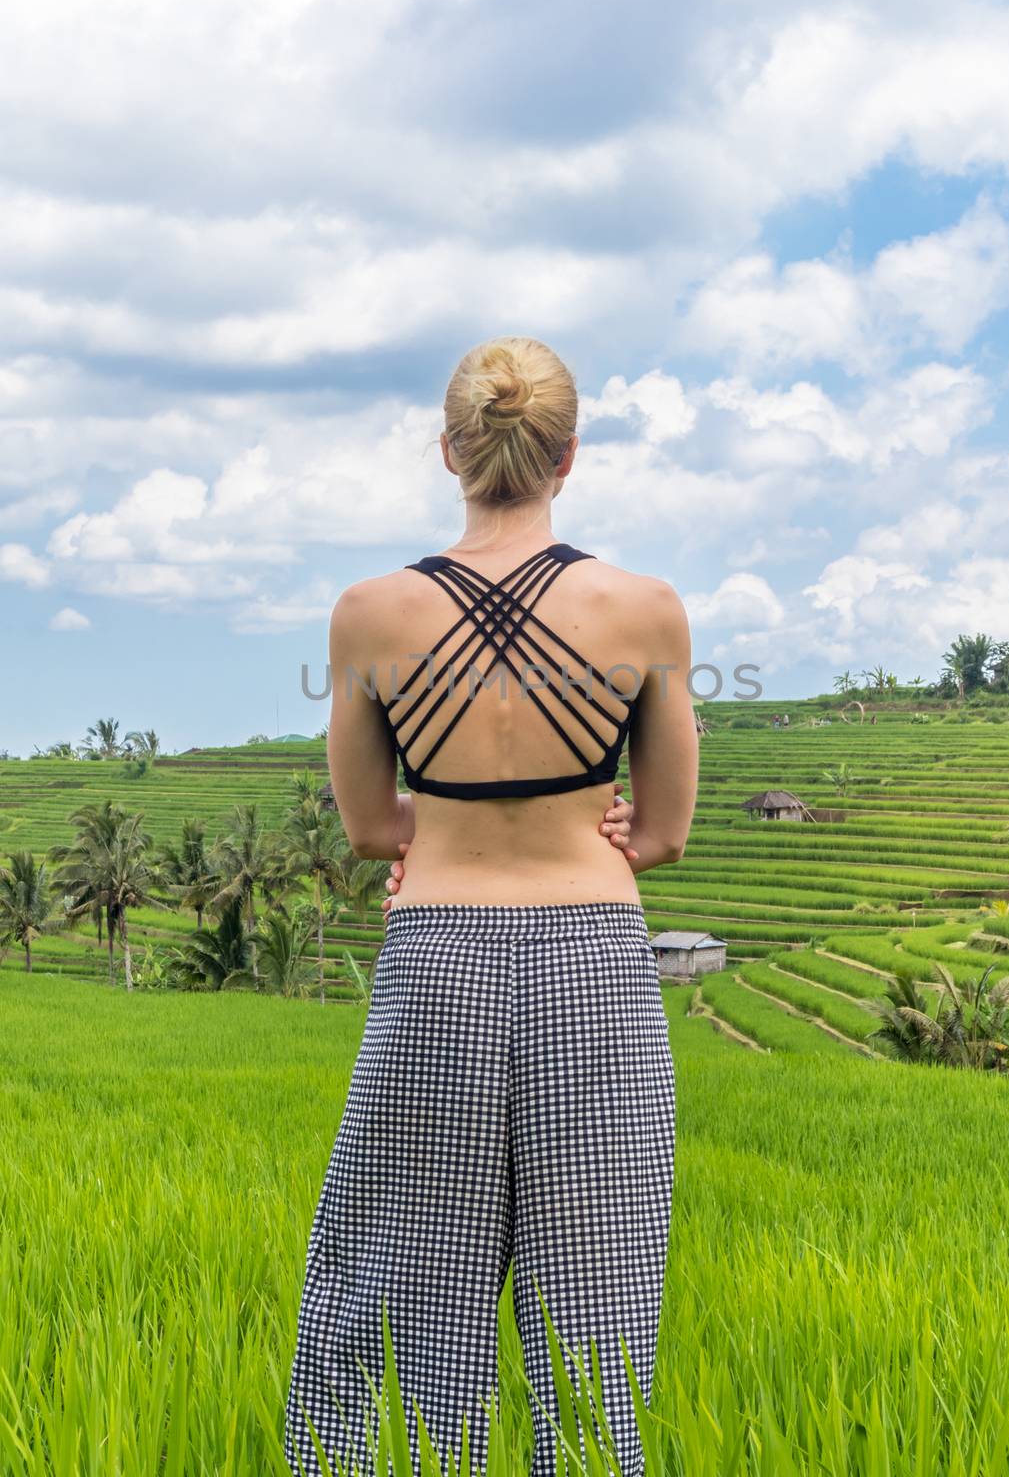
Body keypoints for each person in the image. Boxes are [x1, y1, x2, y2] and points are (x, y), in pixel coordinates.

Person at [283, 336, 699, 1476]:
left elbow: (372, 828)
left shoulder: (369, 614)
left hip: (436, 959)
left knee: (397, 1274)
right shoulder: (645, 609)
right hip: (594, 962)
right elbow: (663, 829)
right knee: (596, 1295)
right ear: (568, 455)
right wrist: (602, 831)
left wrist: (445, 828)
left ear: (448, 452)